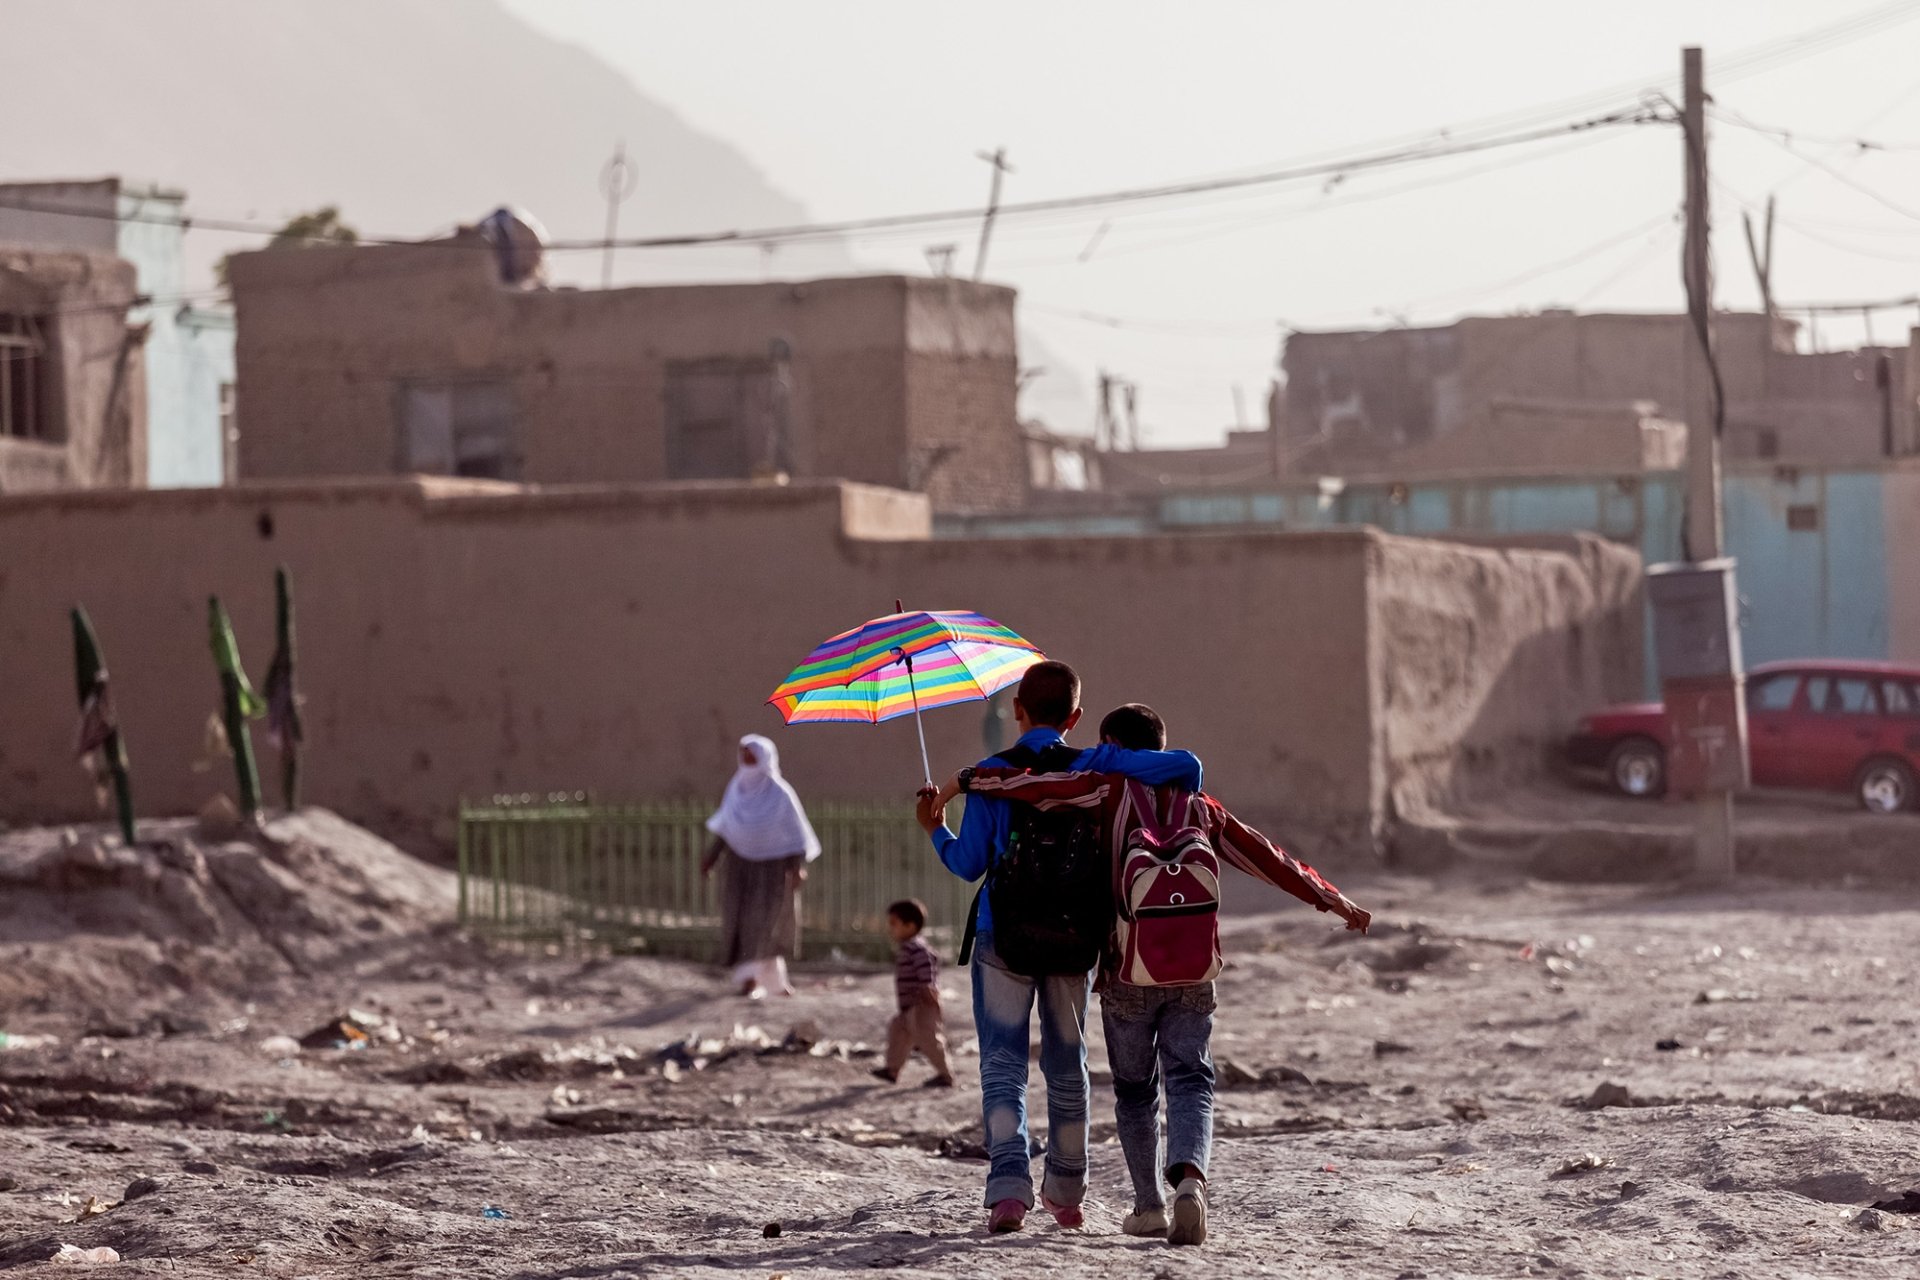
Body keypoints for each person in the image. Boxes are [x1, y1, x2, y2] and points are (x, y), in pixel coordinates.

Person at [939, 702, 1372, 1248]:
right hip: (1193, 968)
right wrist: (1335, 901)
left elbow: (1033, 788)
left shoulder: (1107, 791)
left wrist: (967, 782)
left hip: (1127, 970)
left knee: (1135, 1092)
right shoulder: (1202, 806)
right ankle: (1190, 1181)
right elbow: (1269, 859)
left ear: (1114, 746)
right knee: (1192, 1079)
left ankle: (1149, 1206)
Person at [913, 661, 1204, 1235]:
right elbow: (1187, 768)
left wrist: (935, 824)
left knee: (1002, 1064)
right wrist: (1112, 758)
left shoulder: (992, 774)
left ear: (1018, 708)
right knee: (1068, 1064)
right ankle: (1067, 1192)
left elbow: (969, 864)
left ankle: (1008, 1193)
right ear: (1075, 717)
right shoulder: (1093, 765)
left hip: (1005, 935)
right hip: (1076, 935)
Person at [701, 734, 820, 999]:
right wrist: (711, 858)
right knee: (743, 922)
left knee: (769, 922)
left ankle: (772, 980)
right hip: (739, 870)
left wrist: (796, 867)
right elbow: (726, 829)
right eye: (743, 754)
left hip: (772, 873)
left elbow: (794, 833)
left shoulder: (780, 794)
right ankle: (750, 979)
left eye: (751, 754)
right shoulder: (736, 789)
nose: (746, 759)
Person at [871, 898, 954, 1088]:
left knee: (929, 1040)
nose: (891, 928)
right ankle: (892, 1070)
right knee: (898, 1032)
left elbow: (927, 977)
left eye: (894, 924)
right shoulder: (909, 948)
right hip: (909, 1007)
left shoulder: (918, 949)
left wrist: (932, 999)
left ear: (910, 926)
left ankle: (945, 1075)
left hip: (921, 1005)